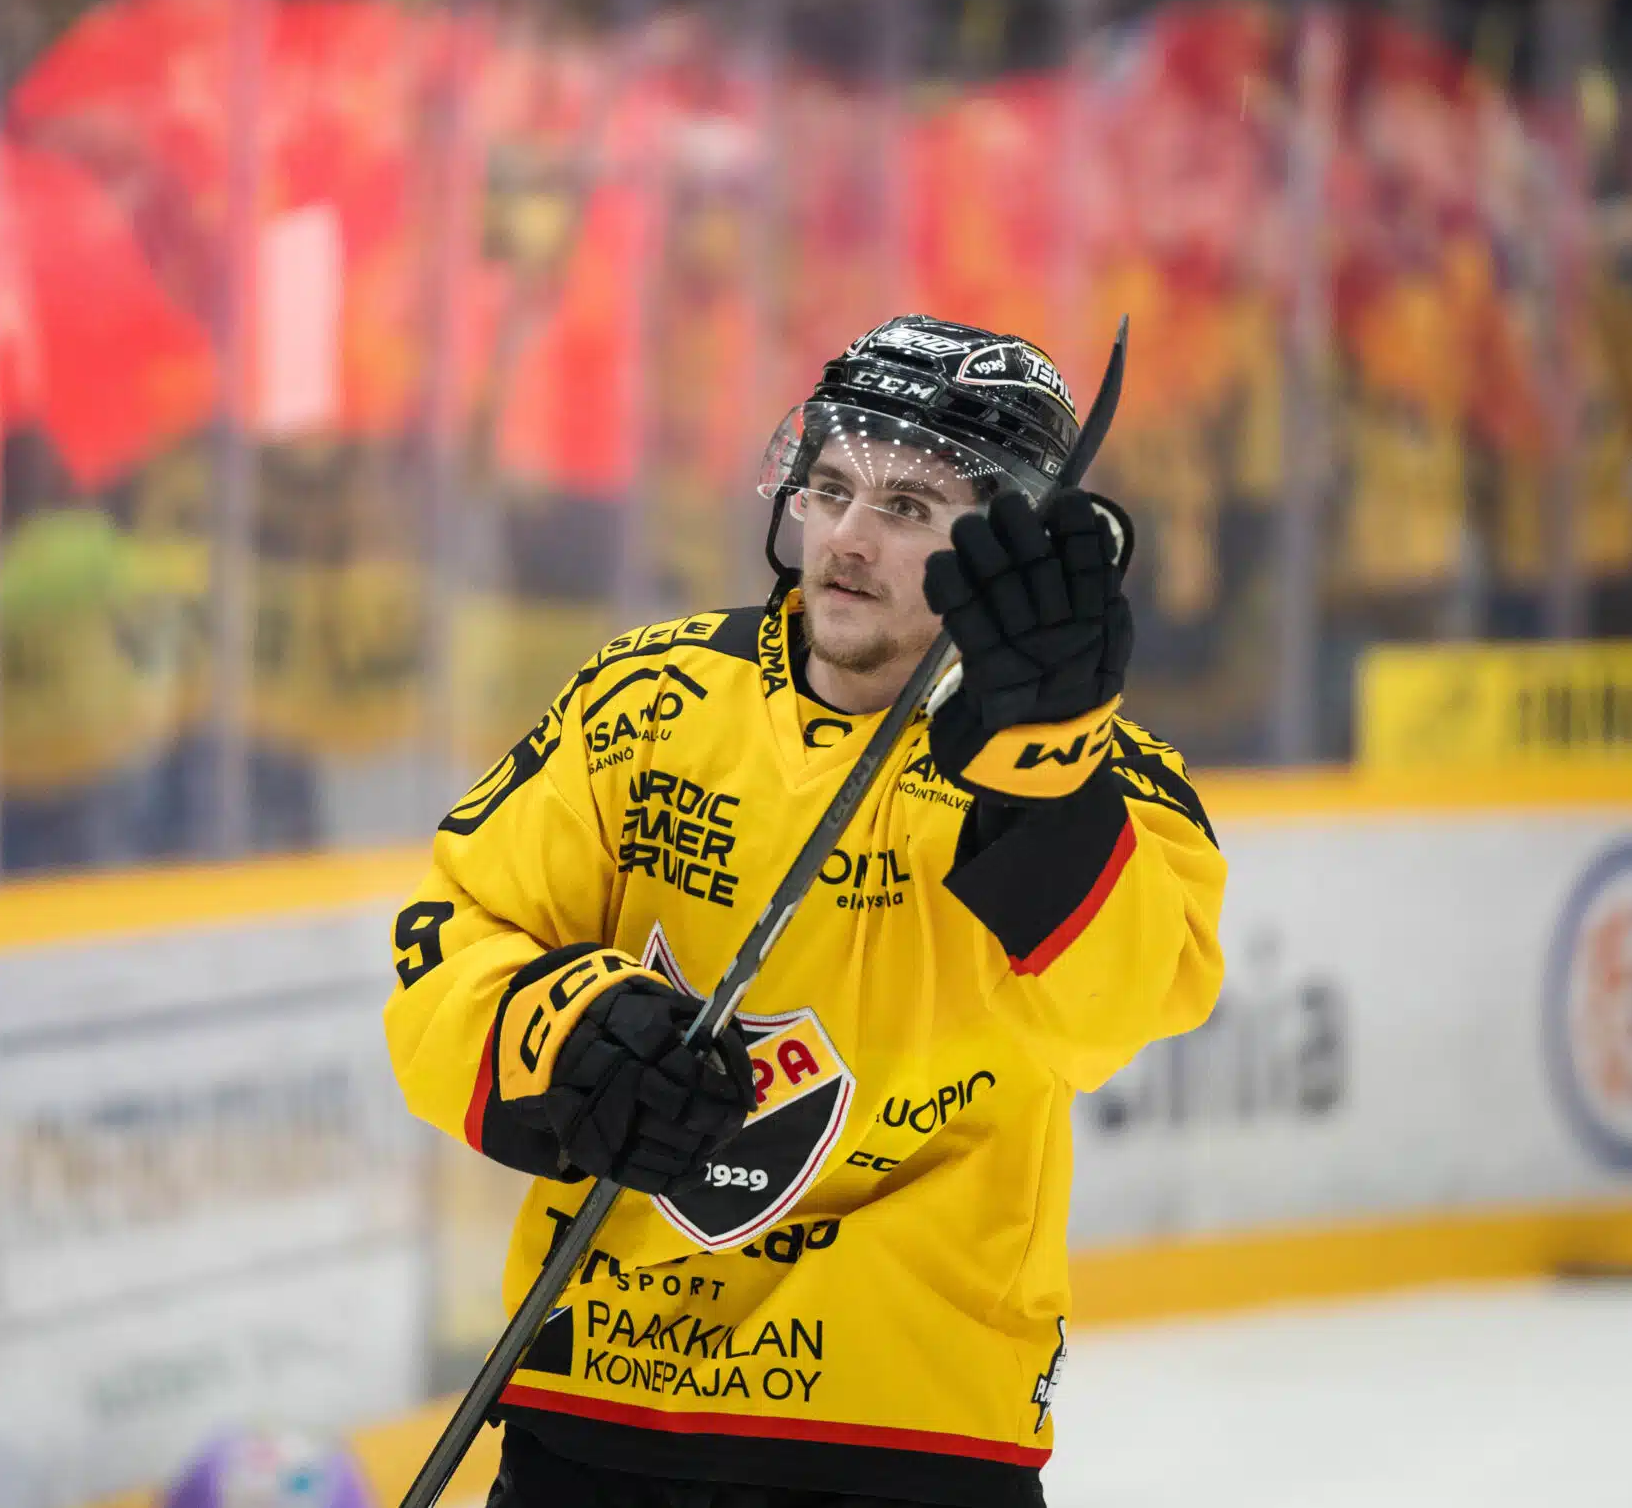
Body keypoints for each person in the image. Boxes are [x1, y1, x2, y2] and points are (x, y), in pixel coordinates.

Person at [383, 316, 1228, 1508]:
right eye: (831, 488)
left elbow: (1123, 1009)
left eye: (909, 506)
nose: (847, 538)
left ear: (1006, 549)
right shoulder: (647, 702)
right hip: (601, 1399)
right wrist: (565, 1036)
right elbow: (454, 932)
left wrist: (1043, 782)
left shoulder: (1097, 775)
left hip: (907, 1430)